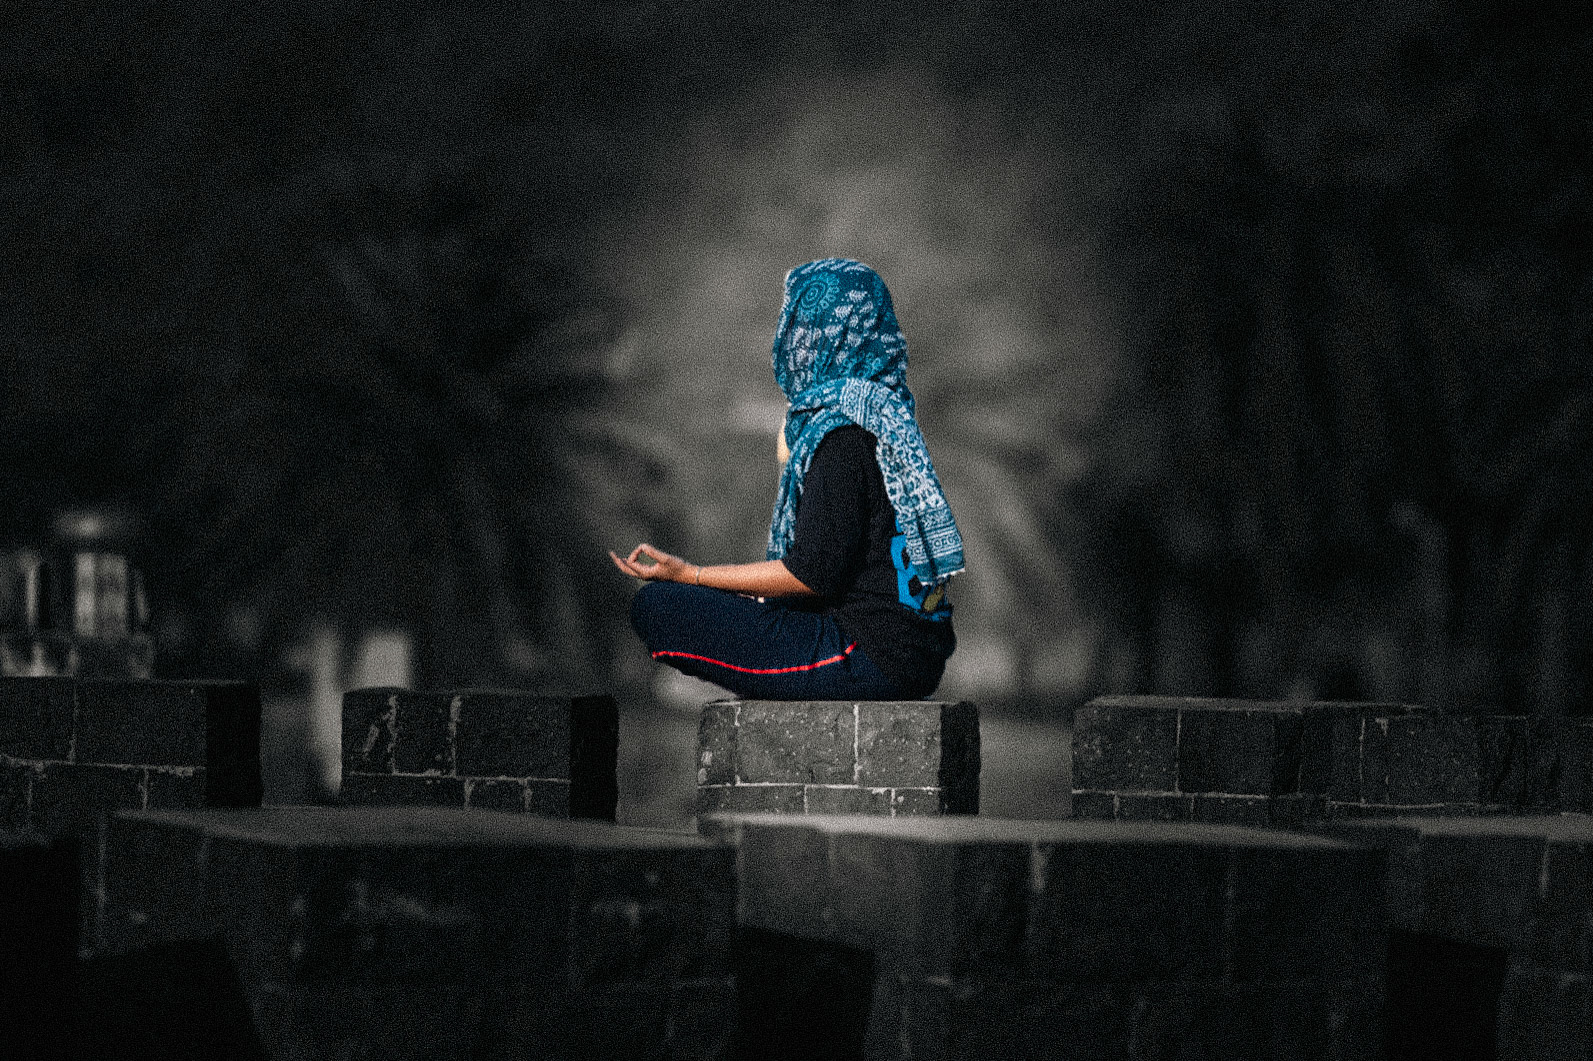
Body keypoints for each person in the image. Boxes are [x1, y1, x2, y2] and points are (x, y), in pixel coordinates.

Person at [611, 257, 963, 701]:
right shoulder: (886, 418)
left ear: (818, 333)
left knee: (657, 608)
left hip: (866, 656)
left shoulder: (843, 436)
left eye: (795, 319)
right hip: (912, 656)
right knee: (748, 610)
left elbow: (811, 574)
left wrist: (691, 574)